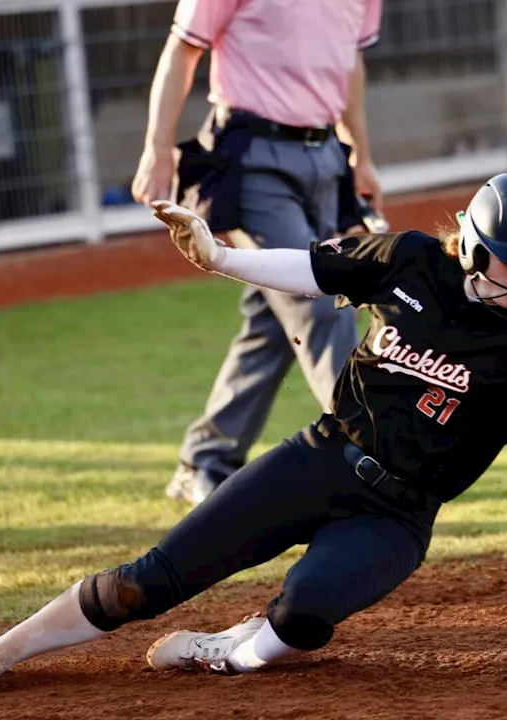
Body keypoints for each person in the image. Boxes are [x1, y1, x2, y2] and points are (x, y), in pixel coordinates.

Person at [0, 173, 507, 697]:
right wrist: (219, 257)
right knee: (141, 587)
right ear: (473, 246)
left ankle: (233, 652)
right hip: (322, 455)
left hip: (397, 517)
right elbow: (314, 268)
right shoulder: (408, 260)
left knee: (302, 616)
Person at [131, 0, 384, 506]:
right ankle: (374, 453)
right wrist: (158, 147)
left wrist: (360, 152)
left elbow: (349, 60)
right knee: (317, 295)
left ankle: (204, 459)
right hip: (250, 156)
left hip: (327, 158)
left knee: (273, 322)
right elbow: (183, 49)